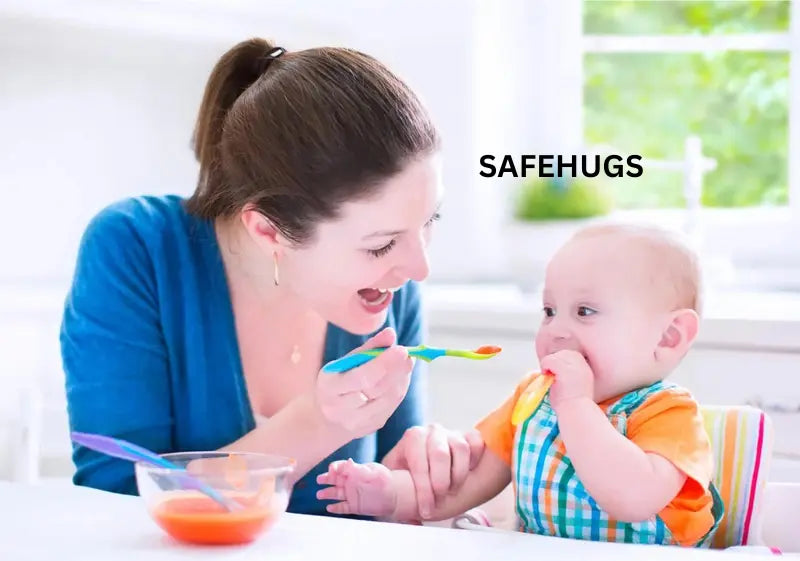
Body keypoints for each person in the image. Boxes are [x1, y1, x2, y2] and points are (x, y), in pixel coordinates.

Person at [60, 37, 483, 518]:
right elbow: (114, 503)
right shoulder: (136, 250)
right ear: (268, 230)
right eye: (381, 244)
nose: (418, 267)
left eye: (430, 222)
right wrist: (318, 422)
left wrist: (426, 491)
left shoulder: (387, 288)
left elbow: (384, 507)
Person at [318, 223, 725, 545]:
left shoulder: (670, 415)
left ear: (668, 337)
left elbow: (632, 499)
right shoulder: (532, 399)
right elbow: (469, 480)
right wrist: (390, 493)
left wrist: (577, 406)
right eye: (549, 310)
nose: (556, 331)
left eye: (585, 311)